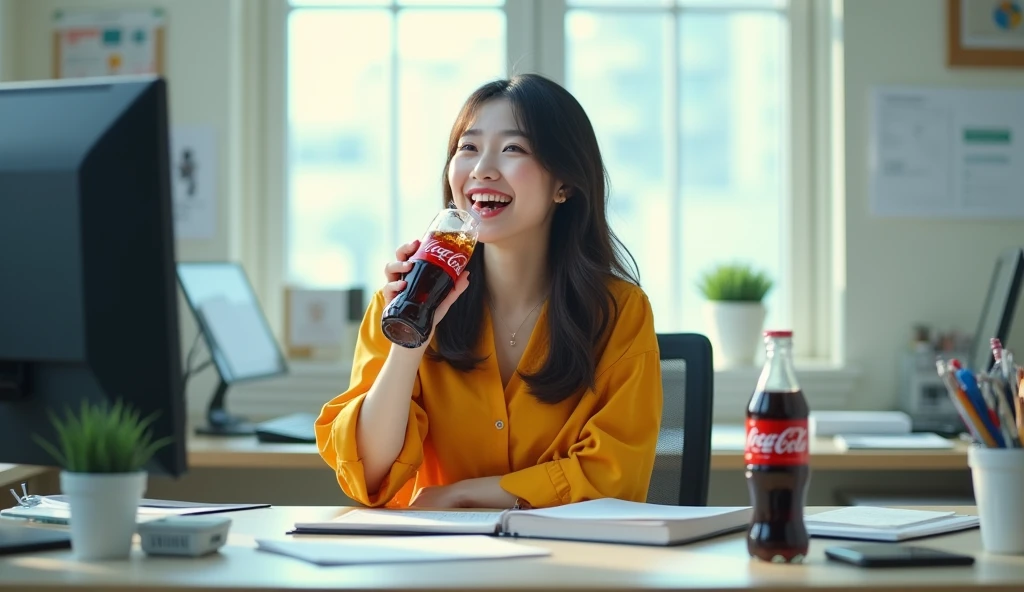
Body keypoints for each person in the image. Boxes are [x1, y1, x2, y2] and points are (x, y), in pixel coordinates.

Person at [314, 73, 663, 510]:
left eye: (513, 149)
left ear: (564, 184)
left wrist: (461, 494)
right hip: (437, 566)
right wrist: (410, 339)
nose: (482, 169)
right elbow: (368, 471)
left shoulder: (619, 312)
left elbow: (615, 476)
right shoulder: (404, 298)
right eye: (469, 148)